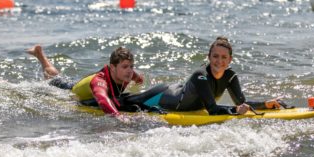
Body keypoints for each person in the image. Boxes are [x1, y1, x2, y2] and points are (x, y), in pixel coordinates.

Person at [0, 45, 144, 117]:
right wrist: (118, 117)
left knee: (54, 76)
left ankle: (39, 54)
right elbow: (103, 99)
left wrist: (138, 79)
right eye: (125, 67)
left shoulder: (127, 73)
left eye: (131, 66)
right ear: (112, 67)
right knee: (13, 89)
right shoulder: (100, 82)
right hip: (65, 92)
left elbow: (135, 77)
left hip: (72, 85)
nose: (129, 71)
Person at [120, 36, 283, 115]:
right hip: (166, 96)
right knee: (128, 103)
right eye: (215, 56)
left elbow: (242, 103)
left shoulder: (231, 76)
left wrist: (265, 104)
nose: (219, 61)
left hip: (181, 89)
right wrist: (235, 110)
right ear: (209, 57)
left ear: (230, 59)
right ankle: (96, 100)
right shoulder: (201, 75)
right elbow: (212, 109)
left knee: (130, 101)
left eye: (224, 57)